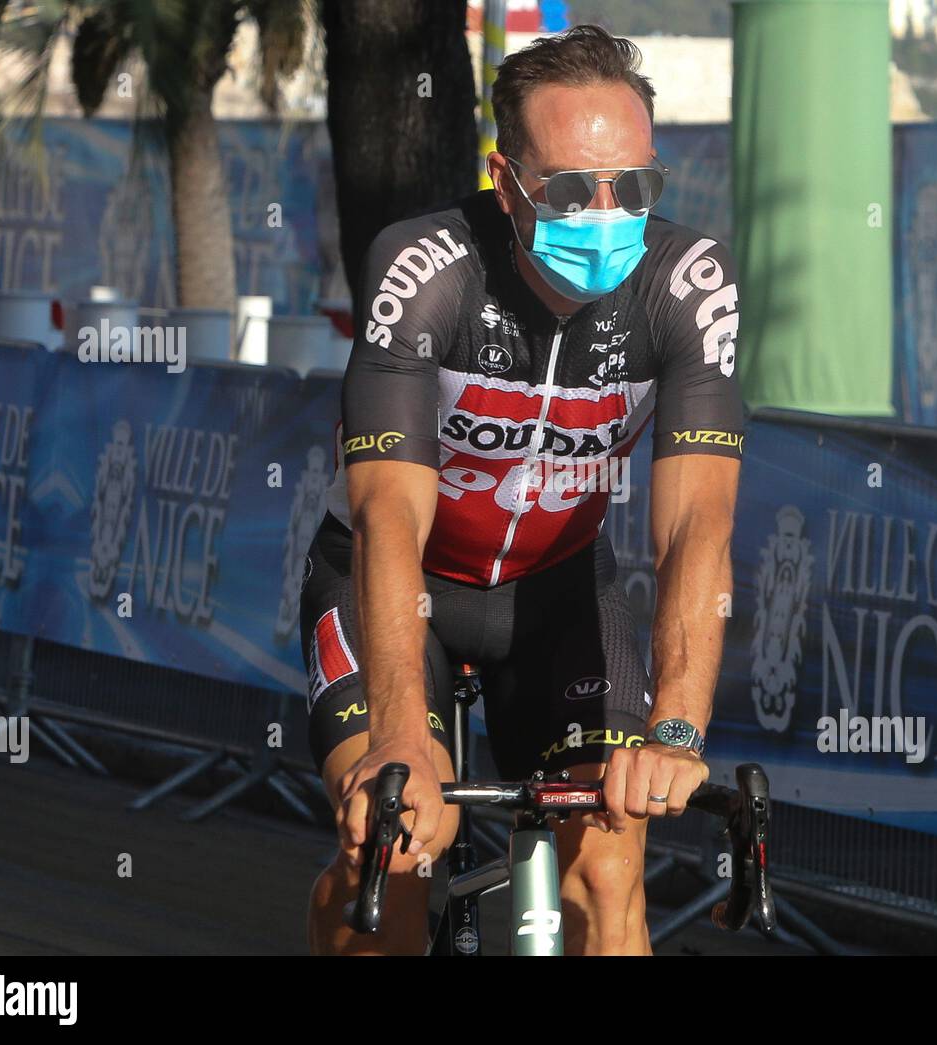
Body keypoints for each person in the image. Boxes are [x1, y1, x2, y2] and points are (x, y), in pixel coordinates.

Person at [299, 24, 743, 955]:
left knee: (610, 867)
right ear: (508, 183)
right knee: (405, 843)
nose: (611, 211)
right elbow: (388, 516)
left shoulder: (686, 285)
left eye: (638, 185)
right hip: (396, 580)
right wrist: (399, 736)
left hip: (556, 591)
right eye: (577, 190)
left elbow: (695, 526)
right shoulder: (424, 269)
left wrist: (675, 725)